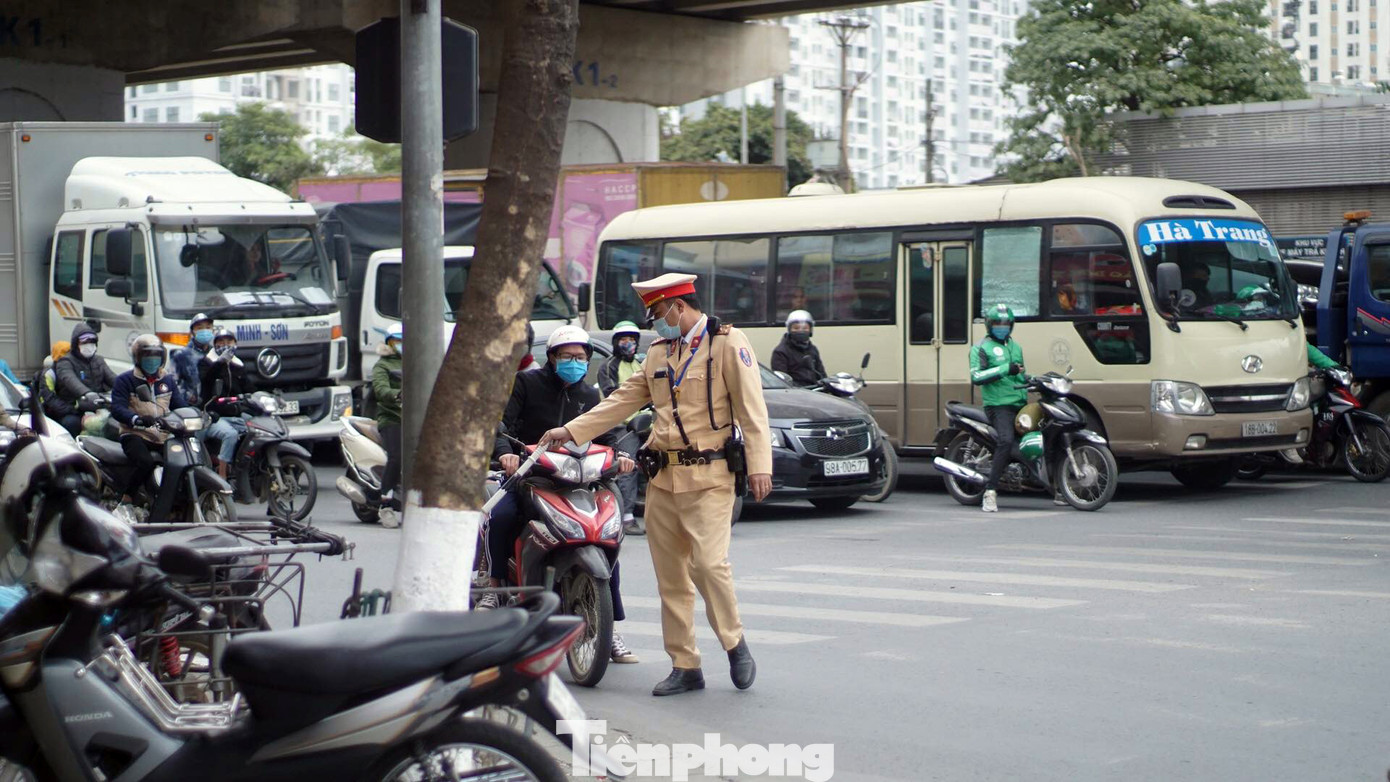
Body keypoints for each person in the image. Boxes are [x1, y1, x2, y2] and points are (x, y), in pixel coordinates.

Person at [543, 273, 772, 697]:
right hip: (663, 478)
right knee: (671, 579)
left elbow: (752, 409)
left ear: (678, 307)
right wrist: (570, 431)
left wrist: (760, 465)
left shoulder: (727, 343)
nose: (654, 323)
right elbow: (623, 399)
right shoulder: (662, 352)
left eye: (657, 314)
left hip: (710, 476)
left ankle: (734, 642)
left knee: (708, 564)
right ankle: (685, 664)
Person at [481, 325, 640, 665]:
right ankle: (494, 588)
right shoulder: (526, 383)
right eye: (567, 356)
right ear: (551, 358)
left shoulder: (590, 395)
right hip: (531, 474)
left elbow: (609, 432)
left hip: (580, 479)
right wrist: (505, 453)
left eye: (581, 358)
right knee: (501, 515)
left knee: (607, 536)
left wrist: (623, 457)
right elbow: (501, 425)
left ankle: (608, 627)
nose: (574, 362)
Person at [109, 335, 186, 506]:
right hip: (135, 433)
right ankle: (127, 496)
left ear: (163, 358)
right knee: (145, 462)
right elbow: (117, 408)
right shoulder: (125, 380)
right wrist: (136, 419)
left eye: (156, 356)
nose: (152, 360)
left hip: (163, 434)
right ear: (138, 358)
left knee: (180, 462)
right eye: (148, 356)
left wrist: (197, 414)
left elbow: (180, 405)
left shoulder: (167, 380)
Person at [969, 303, 1031, 514]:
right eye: (998, 323)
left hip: (1020, 403)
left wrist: (1032, 380)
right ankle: (990, 491)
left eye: (1006, 324)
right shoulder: (980, 348)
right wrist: (1005, 369)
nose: (1002, 327)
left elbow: (1021, 374)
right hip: (998, 406)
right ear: (989, 325)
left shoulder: (1016, 347)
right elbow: (976, 376)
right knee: (1005, 440)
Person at [598, 321, 646, 536]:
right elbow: (614, 396)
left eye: (632, 340)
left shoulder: (640, 364)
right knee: (628, 468)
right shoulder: (609, 366)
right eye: (624, 340)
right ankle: (627, 517)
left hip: (646, 424)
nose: (629, 344)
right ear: (616, 342)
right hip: (623, 427)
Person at [199, 328, 250, 480]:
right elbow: (207, 380)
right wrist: (220, 363)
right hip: (213, 416)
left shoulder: (238, 365)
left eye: (229, 342)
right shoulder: (207, 363)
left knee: (259, 429)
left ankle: (246, 469)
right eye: (221, 342)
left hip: (235, 414)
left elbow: (249, 388)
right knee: (230, 434)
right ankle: (222, 475)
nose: (225, 345)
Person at [55, 324, 118, 431]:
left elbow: (113, 378)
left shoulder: (99, 360)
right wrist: (86, 393)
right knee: (71, 423)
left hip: (99, 406)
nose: (89, 344)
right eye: (84, 341)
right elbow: (70, 380)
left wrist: (129, 385)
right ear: (76, 343)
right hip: (74, 409)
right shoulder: (65, 362)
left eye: (92, 341)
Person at [373, 324, 404, 525]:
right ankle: (385, 503)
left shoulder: (417, 361)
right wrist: (396, 394)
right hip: (392, 418)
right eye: (396, 341)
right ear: (389, 343)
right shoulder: (382, 366)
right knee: (397, 457)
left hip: (416, 419)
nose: (401, 345)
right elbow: (380, 388)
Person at [771, 310, 827, 386]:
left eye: (805, 328)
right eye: (796, 328)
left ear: (810, 330)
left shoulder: (813, 349)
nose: (801, 331)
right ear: (789, 329)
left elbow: (821, 374)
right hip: (795, 393)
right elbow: (781, 380)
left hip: (815, 391)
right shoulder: (780, 352)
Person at [172, 313, 215, 408]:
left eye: (208, 327)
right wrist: (189, 397)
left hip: (213, 405)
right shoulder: (182, 354)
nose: (204, 331)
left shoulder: (215, 353)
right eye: (199, 328)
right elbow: (173, 383)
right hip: (190, 407)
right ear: (192, 332)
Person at [40, 341, 80, 436]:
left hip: (75, 409)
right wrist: (72, 409)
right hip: (57, 413)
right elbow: (50, 399)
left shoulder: (78, 369)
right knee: (72, 423)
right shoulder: (49, 374)